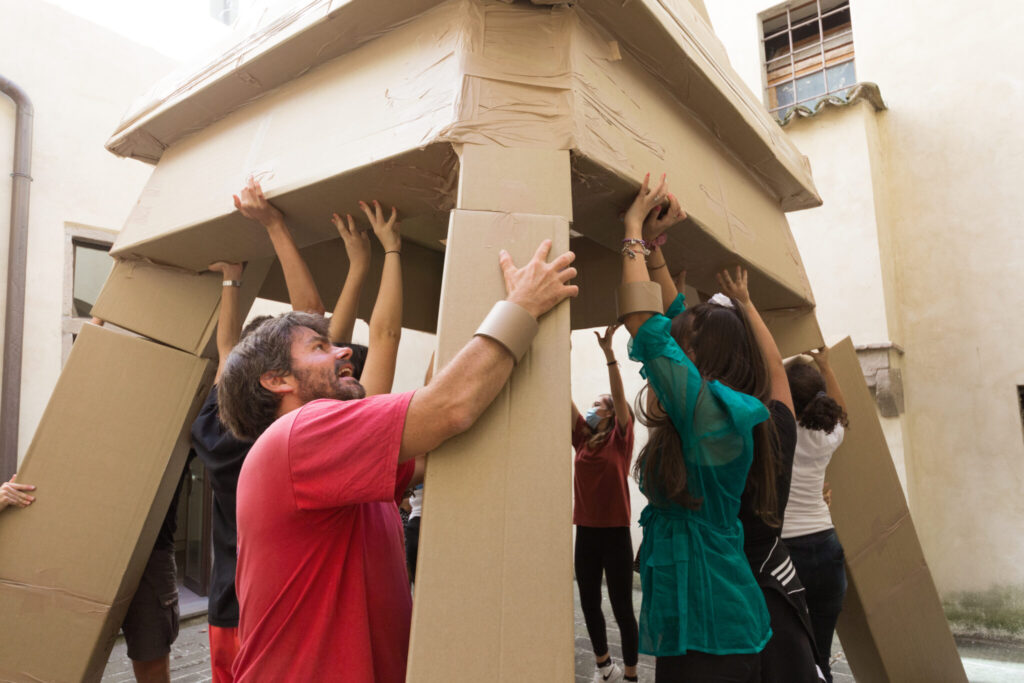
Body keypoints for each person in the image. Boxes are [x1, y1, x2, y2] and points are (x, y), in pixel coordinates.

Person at [217, 239, 577, 682]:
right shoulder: (299, 435)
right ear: (276, 380)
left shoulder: (334, 457)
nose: (344, 351)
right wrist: (521, 306)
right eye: (318, 348)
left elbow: (434, 450)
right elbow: (450, 408)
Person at [192, 182, 404, 683]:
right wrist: (274, 227)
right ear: (276, 379)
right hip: (298, 611)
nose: (335, 352)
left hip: (233, 604)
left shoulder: (216, 424)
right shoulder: (304, 437)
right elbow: (324, 317)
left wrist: (231, 283)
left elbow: (228, 350)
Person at [618, 174, 771, 682]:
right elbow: (677, 318)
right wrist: (658, 251)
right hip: (704, 620)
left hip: (715, 632)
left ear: (702, 360)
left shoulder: (711, 417)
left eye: (687, 352)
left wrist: (633, 229)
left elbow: (647, 325)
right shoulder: (714, 406)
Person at [714, 268, 824, 683]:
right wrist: (745, 301)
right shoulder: (780, 426)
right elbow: (776, 366)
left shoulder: (708, 435)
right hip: (776, 578)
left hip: (731, 583)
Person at [571, 324, 639, 683]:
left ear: (613, 413)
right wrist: (559, 350)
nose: (592, 407)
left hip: (615, 533)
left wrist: (609, 354)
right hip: (586, 532)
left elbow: (617, 394)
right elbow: (561, 397)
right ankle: (604, 667)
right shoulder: (582, 438)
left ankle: (629, 676)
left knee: (623, 609)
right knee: (589, 604)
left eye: (599, 404)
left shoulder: (620, 438)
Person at [782, 349, 849, 683]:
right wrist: (825, 365)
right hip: (827, 549)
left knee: (788, 659)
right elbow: (842, 409)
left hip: (786, 557)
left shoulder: (777, 432)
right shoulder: (827, 435)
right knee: (820, 657)